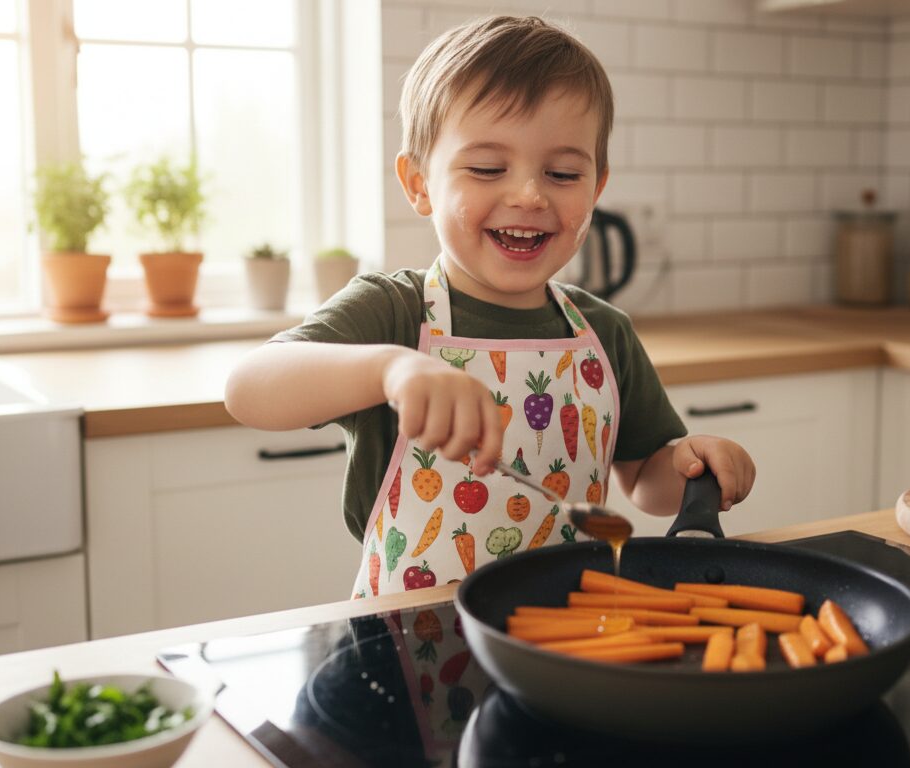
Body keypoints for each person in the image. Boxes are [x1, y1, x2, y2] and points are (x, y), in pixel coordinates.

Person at [225, 15, 755, 598]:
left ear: (597, 187)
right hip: (407, 633)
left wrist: (690, 465)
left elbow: (643, 479)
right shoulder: (392, 312)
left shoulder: (604, 332)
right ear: (419, 183)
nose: (529, 195)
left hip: (563, 627)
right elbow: (248, 388)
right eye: (486, 168)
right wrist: (389, 369)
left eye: (562, 173)